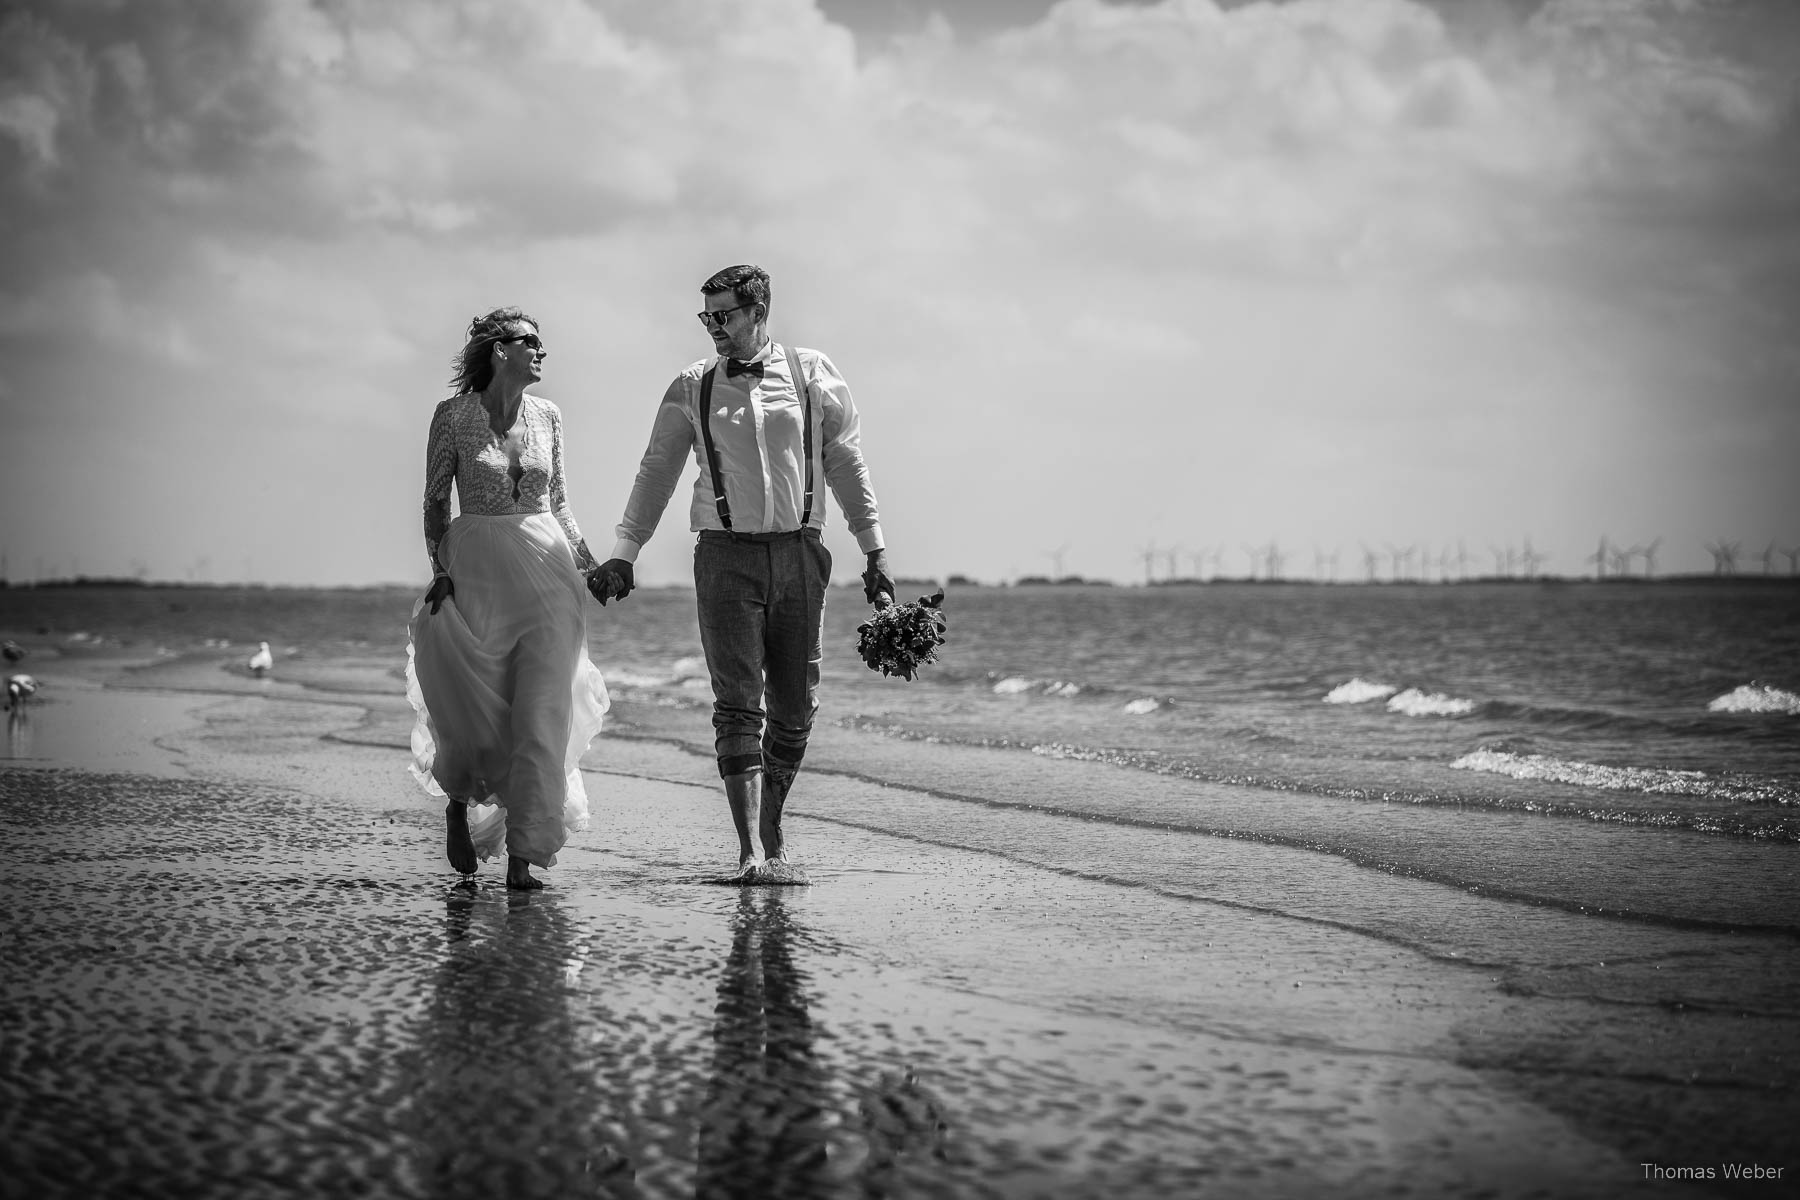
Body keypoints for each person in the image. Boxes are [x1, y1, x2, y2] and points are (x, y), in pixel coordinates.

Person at [592, 265, 893, 880]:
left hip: (802, 553)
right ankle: (752, 850)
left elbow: (846, 463)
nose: (715, 329)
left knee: (795, 707)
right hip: (724, 557)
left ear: (759, 311)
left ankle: (771, 816)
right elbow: (657, 471)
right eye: (707, 318)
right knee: (737, 705)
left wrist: (875, 551)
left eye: (724, 315)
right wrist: (626, 549)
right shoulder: (691, 386)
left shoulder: (812, 374)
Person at [406, 308, 609, 890]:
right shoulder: (452, 417)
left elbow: (561, 504)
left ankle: (522, 855)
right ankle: (458, 802)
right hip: (478, 575)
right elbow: (434, 504)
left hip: (549, 578)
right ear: (500, 350)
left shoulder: (550, 415)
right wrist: (439, 569)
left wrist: (591, 566)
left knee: (542, 713)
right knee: (480, 710)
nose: (542, 351)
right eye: (531, 342)